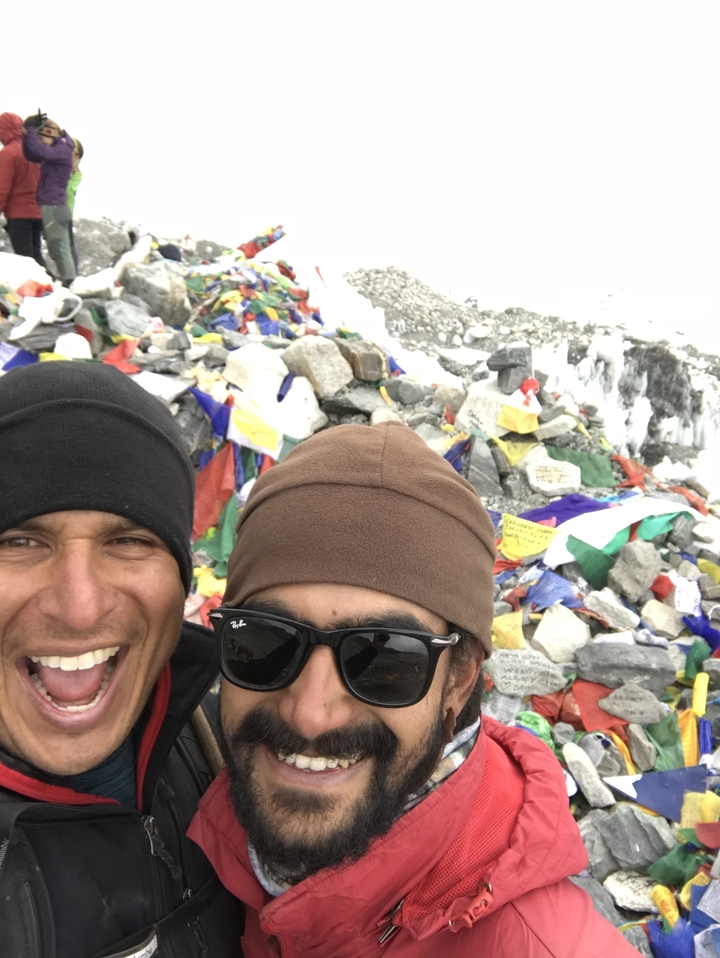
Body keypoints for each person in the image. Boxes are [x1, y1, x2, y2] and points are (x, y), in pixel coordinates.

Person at [189, 421, 640, 957]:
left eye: (383, 660)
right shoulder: (207, 824)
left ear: (459, 680)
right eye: (264, 642)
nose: (310, 713)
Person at [0, 362, 243, 957]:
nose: (79, 609)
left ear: (181, 581)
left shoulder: (224, 743)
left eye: (130, 541)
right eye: (19, 541)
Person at [22, 117, 76, 284]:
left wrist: (31, 130)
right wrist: (27, 134)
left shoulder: (62, 150)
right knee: (57, 246)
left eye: (42, 137)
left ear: (50, 134)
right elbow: (31, 154)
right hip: (54, 204)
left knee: (58, 246)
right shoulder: (59, 148)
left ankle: (69, 281)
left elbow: (39, 151)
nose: (40, 141)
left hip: (54, 205)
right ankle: (68, 279)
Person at [0, 112, 45, 267]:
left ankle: (44, 282)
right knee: (36, 255)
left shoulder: (8, 153)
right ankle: (49, 280)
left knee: (25, 260)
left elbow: (2, 187)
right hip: (38, 211)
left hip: (18, 213)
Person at [67, 137, 83, 272]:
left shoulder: (76, 175)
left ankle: (72, 275)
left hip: (63, 213)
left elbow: (68, 191)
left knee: (67, 246)